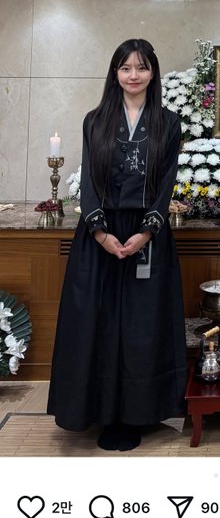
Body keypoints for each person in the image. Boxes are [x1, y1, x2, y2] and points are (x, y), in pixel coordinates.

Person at [47, 39, 187, 451]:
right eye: (125, 68)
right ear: (115, 73)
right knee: (101, 323)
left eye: (141, 67)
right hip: (100, 234)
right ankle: (101, 413)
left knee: (142, 326)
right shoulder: (95, 120)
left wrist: (146, 231)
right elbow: (89, 181)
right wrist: (100, 232)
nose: (133, 75)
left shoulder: (168, 123)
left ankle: (137, 414)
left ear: (153, 73)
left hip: (148, 234)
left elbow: (166, 183)